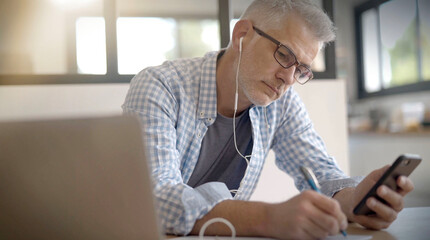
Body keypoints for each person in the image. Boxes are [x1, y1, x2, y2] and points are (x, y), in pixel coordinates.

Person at [122, 0, 415, 239]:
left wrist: (356, 200)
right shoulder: (160, 86)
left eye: (301, 69)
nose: (288, 78)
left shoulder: (282, 104)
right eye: (284, 55)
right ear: (242, 36)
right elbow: (153, 199)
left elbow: (323, 176)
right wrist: (268, 218)